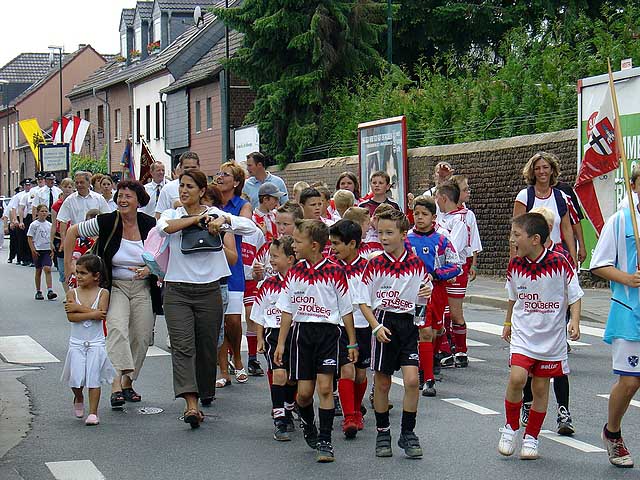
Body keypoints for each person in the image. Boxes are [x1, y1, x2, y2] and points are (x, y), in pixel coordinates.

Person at [157, 169, 255, 427]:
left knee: (207, 345)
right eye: (181, 186)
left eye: (190, 186)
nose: (184, 190)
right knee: (183, 346)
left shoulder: (216, 213)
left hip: (210, 289)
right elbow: (164, 228)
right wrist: (194, 220)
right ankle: (191, 404)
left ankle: (205, 389)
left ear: (202, 191)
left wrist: (222, 223)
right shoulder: (173, 214)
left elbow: (249, 227)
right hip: (177, 290)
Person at [64, 180, 159, 409]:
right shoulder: (106, 221)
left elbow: (162, 254)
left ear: (139, 201)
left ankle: (128, 381)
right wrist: (68, 266)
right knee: (116, 328)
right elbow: (72, 231)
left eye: (128, 196)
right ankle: (116, 385)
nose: (123, 200)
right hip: (115, 286)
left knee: (143, 335)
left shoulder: (151, 225)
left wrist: (150, 269)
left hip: (143, 287)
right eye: (120, 196)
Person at [499, 213, 582, 460]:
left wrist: (574, 321)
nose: (512, 239)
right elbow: (513, 297)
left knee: (540, 387)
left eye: (516, 235)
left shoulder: (560, 263)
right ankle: (511, 427)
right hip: (524, 333)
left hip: (551, 338)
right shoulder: (515, 264)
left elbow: (575, 294)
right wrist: (507, 321)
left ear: (535, 239)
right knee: (517, 378)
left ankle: (532, 436)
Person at [274, 219, 357, 463]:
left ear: (314, 245)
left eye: (298, 241)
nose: (294, 245)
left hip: (328, 334)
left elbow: (346, 309)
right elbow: (287, 310)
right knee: (303, 394)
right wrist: (280, 343)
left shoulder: (335, 271)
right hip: (301, 335)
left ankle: (325, 440)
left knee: (324, 387)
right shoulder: (295, 273)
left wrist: (351, 342)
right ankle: (308, 422)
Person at [357, 209, 432, 458]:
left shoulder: (416, 265)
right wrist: (375, 326)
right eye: (380, 233)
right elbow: (363, 301)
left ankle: (408, 433)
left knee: (412, 381)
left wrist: (425, 297)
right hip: (384, 322)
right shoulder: (375, 264)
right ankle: (383, 432)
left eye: (389, 233)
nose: (384, 237)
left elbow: (422, 295)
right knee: (383, 381)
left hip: (408, 325)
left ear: (403, 234)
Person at [591, 178, 640, 468]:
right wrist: (627, 279)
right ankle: (612, 433)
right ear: (634, 185)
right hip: (629, 310)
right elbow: (599, 263)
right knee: (631, 381)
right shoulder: (621, 221)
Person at [520, 206, 576, 435]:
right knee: (528, 369)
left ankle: (563, 410)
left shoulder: (560, 256)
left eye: (548, 224)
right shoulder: (524, 256)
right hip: (531, 322)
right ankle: (527, 402)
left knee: (559, 369)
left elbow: (573, 290)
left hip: (553, 320)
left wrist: (573, 319)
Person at [407, 196, 461, 397]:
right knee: (425, 332)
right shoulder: (407, 241)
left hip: (437, 292)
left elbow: (456, 265)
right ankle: (427, 378)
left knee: (438, 330)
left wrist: (437, 274)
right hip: (418, 293)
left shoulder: (442, 240)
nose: (420, 218)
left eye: (424, 214)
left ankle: (432, 358)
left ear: (433, 217)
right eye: (417, 214)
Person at [329, 219, 372, 438]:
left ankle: (356, 409)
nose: (333, 248)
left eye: (337, 244)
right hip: (339, 326)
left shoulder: (367, 268)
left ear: (353, 244)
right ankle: (349, 416)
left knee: (361, 373)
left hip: (363, 325)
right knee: (347, 369)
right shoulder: (330, 268)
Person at [61, 255, 115, 426]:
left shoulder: (103, 293)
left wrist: (79, 308)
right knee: (76, 378)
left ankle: (93, 412)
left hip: (96, 342)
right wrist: (90, 313)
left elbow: (102, 314)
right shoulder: (72, 293)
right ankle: (78, 395)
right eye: (77, 272)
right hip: (77, 342)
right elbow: (72, 317)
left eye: (83, 273)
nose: (79, 276)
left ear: (96, 276)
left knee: (93, 377)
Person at [252, 236, 297, 440]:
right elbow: (259, 313)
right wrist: (260, 338)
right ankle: (279, 418)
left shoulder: (300, 281)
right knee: (279, 375)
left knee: (293, 378)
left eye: (276, 256)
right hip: (274, 333)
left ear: (290, 258)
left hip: (297, 333)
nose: (271, 260)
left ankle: (288, 407)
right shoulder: (267, 285)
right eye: (271, 255)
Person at [216, 161, 254, 386]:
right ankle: (223, 370)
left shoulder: (241, 204)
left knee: (233, 320)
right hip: (211, 267)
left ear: (237, 182)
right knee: (218, 322)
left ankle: (237, 358)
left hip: (232, 266)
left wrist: (224, 219)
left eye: (226, 174)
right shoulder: (209, 201)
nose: (220, 177)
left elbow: (246, 224)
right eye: (219, 173)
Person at [512, 151, 577, 265]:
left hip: (556, 256)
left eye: (545, 167)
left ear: (552, 170)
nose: (542, 171)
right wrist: (513, 260)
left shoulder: (560, 196)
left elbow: (567, 228)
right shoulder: (524, 196)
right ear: (533, 172)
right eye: (537, 168)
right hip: (530, 257)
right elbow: (515, 231)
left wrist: (572, 256)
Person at [435, 181, 471, 368]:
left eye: (437, 198)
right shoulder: (443, 217)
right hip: (441, 270)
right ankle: (446, 349)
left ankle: (461, 350)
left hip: (455, 270)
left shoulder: (460, 220)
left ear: (444, 198)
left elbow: (453, 247)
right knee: (442, 312)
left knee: (455, 312)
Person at [57, 171, 111, 253]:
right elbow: (63, 221)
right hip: (77, 239)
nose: (79, 185)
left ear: (89, 183)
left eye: (81, 182)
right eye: (77, 183)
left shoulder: (98, 198)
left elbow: (107, 218)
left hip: (96, 239)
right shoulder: (70, 200)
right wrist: (63, 241)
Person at [252, 201, 303, 283]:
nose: (281, 228)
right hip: (271, 293)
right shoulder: (268, 247)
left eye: (286, 224)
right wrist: (258, 273)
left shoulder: (304, 249)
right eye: (278, 223)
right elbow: (255, 275)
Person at [155, 152, 200, 219]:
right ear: (180, 168)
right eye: (186, 167)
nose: (190, 170)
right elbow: (159, 215)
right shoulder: (168, 188)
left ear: (199, 167)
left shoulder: (205, 187)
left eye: (193, 167)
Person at [27, 205, 57, 300]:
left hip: (47, 249)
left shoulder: (49, 225)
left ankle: (50, 290)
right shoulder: (34, 225)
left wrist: (52, 250)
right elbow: (30, 237)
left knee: (47, 268)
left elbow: (52, 237)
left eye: (45, 211)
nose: (44, 213)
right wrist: (33, 249)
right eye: (42, 211)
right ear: (38, 212)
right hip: (38, 250)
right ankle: (38, 291)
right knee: (38, 270)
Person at [51, 178, 75, 293]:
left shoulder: (75, 201)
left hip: (74, 237)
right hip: (60, 238)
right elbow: (54, 223)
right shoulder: (57, 205)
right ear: (61, 187)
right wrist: (51, 241)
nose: (67, 189)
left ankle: (75, 291)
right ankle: (67, 292)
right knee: (62, 267)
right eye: (65, 187)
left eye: (70, 187)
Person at [17, 178, 35, 266]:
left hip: (41, 215)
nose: (28, 187)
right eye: (26, 185)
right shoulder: (25, 196)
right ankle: (29, 259)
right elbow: (21, 208)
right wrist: (21, 221)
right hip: (29, 216)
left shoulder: (39, 192)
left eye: (29, 185)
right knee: (29, 238)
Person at [7, 186, 22, 263]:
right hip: (14, 220)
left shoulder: (23, 197)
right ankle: (11, 257)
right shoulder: (14, 199)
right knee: (13, 241)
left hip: (20, 219)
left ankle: (19, 258)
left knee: (20, 241)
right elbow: (10, 210)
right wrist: (12, 222)